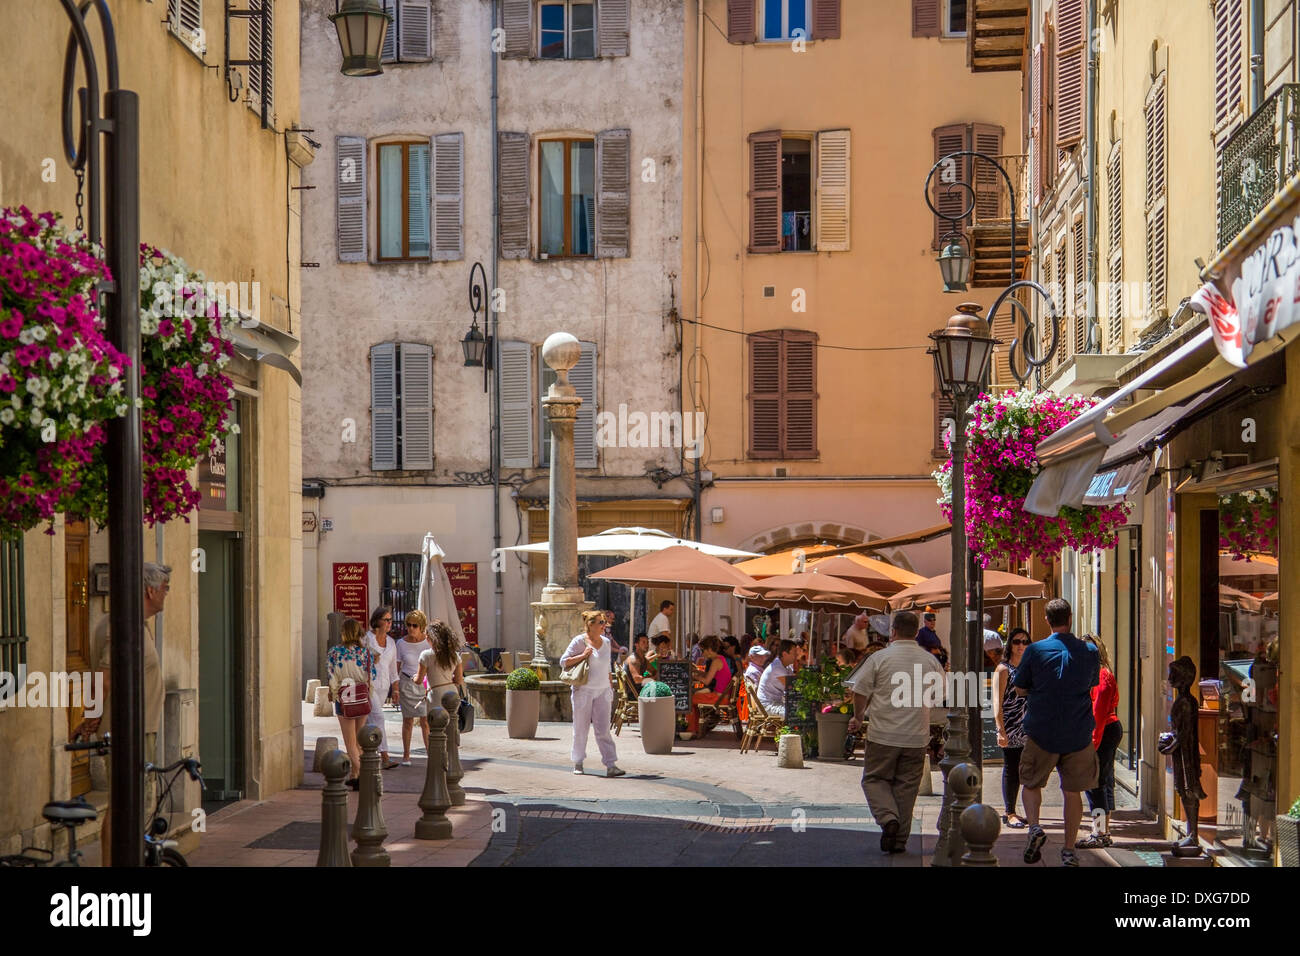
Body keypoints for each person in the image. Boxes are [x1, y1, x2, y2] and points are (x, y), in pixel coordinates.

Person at [75, 562, 171, 867]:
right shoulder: (121, 625)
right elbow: (104, 679)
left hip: (139, 728)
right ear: (150, 590)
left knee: (130, 805)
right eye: (165, 588)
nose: (167, 594)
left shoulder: (136, 624)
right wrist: (92, 718)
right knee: (126, 806)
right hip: (130, 732)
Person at [846, 611, 944, 854]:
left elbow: (860, 689)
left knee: (874, 779)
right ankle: (899, 841)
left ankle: (888, 819)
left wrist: (859, 717)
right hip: (916, 736)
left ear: (893, 632)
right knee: (906, 789)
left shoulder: (880, 658)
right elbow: (940, 695)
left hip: (883, 734)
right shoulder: (930, 660)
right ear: (916, 633)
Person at [1013, 598, 1100, 867]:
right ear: (1070, 618)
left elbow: (1019, 688)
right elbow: (1091, 684)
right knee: (1073, 792)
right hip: (1078, 732)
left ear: (1047, 620)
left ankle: (1035, 827)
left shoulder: (1035, 650)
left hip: (1042, 729)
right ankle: (1069, 849)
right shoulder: (1089, 651)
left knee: (1030, 783)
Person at [561, 609, 626, 777]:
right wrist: (583, 655)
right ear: (590, 625)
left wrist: (610, 686)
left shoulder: (605, 642)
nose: (604, 625)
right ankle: (578, 761)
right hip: (583, 691)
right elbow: (564, 662)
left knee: (603, 729)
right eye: (601, 622)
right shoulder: (579, 641)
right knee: (581, 728)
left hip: (603, 690)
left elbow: (607, 666)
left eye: (604, 622)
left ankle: (611, 764)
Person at [1078, 633, 1122, 849]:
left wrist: (1091, 743)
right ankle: (1102, 830)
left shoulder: (1102, 676)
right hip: (1101, 731)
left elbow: (1099, 713)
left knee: (1095, 783)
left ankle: (1099, 832)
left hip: (1103, 731)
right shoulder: (1092, 674)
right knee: (1100, 782)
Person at [327, 617, 376, 789]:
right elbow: (372, 675)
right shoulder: (366, 653)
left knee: (350, 741)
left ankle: (364, 774)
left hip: (344, 697)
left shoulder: (335, 652)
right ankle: (355, 775)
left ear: (344, 633)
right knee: (359, 740)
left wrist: (333, 694)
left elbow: (332, 677)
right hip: (362, 697)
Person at [994, 627, 1031, 829]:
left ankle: (1019, 811)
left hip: (1028, 726)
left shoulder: (1029, 667)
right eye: (1017, 642)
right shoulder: (1003, 669)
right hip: (1010, 725)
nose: (1021, 646)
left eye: (1025, 642)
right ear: (1010, 644)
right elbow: (997, 703)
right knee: (1011, 768)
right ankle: (1010, 812)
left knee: (1025, 770)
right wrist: (1000, 729)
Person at [395, 609, 433, 766]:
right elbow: (395, 668)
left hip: (425, 685)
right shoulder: (401, 643)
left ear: (422, 626)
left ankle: (431, 755)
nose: (411, 628)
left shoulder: (428, 642)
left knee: (426, 721)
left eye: (414, 625)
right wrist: (395, 688)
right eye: (408, 625)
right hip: (407, 684)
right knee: (408, 721)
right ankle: (406, 756)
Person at [364, 605, 400, 769]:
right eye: (386, 620)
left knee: (369, 721)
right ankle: (384, 756)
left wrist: (396, 689)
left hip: (384, 686)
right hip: (368, 685)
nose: (389, 623)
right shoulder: (366, 639)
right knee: (378, 718)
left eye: (390, 620)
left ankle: (365, 754)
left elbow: (393, 669)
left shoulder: (391, 643)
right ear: (377, 621)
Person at [415, 619, 465, 715]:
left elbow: (419, 680)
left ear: (430, 638)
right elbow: (459, 680)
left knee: (436, 725)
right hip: (452, 694)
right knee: (451, 724)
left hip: (435, 694)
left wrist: (413, 677)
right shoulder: (454, 655)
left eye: (426, 636)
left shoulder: (426, 655)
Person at [687, 635, 732, 736]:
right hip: (722, 696)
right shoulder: (720, 659)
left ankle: (692, 729)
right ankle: (696, 727)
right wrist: (698, 672)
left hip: (719, 698)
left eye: (703, 650)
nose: (702, 653)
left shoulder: (716, 661)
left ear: (709, 649)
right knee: (693, 697)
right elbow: (709, 675)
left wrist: (695, 676)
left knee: (689, 699)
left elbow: (707, 681)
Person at [757, 640, 797, 716]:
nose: (796, 655)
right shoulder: (777, 668)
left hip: (775, 703)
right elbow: (793, 689)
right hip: (768, 706)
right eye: (794, 652)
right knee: (797, 712)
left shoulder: (786, 667)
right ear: (785, 654)